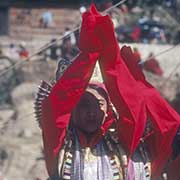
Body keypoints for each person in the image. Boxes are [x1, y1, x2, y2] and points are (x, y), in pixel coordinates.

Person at [36, 5, 180, 180]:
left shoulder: (124, 144)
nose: (91, 112)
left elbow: (153, 117)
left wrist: (120, 66)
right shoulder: (60, 146)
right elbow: (57, 107)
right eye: (83, 104)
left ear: (108, 109)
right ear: (71, 110)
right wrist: (90, 54)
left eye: (98, 104)